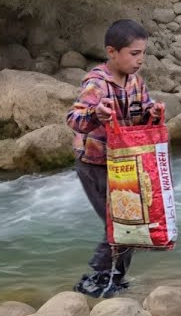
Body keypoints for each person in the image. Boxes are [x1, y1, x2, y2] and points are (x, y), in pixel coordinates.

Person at [66, 19, 164, 298]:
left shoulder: (135, 82)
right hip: (93, 164)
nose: (140, 60)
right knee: (121, 225)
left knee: (130, 222)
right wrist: (95, 114)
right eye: (134, 54)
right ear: (112, 52)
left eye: (143, 53)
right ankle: (95, 277)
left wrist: (153, 113)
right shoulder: (96, 84)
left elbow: (141, 114)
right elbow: (73, 119)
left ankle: (114, 279)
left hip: (123, 163)